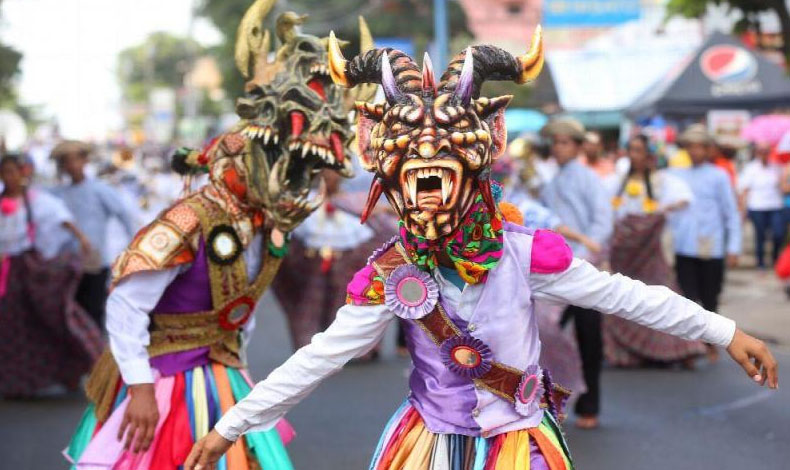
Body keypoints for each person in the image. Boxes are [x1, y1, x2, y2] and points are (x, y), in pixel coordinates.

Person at [185, 36, 777, 470]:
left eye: (439, 172)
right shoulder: (389, 275)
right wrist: (230, 426)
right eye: (413, 176)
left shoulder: (525, 254)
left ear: (478, 161)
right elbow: (318, 359)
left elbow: (625, 296)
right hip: (427, 447)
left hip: (521, 447)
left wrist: (724, 331)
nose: (426, 189)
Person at [64, 6, 376, 469]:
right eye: (284, 165)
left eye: (304, 170)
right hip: (165, 378)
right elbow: (126, 304)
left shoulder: (266, 224)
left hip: (225, 377)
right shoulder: (191, 218)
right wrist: (141, 389)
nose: (296, 180)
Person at [0, 154, 103, 397]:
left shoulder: (37, 201)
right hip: (6, 272)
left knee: (54, 315)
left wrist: (83, 240)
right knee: (13, 326)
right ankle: (18, 381)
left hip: (30, 269)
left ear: (23, 173)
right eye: (4, 173)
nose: (9, 178)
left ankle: (84, 365)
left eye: (13, 172)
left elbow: (64, 220)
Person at [604, 135, 706, 367]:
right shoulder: (616, 181)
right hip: (624, 252)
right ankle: (629, 352)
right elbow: (604, 207)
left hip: (652, 250)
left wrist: (662, 210)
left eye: (639, 151)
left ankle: (683, 350)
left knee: (663, 297)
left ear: (650, 155)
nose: (634, 155)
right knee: (623, 298)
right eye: (631, 150)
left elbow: (684, 199)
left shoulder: (663, 180)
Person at [540, 118, 612, 429]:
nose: (558, 148)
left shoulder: (589, 179)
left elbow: (603, 221)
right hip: (554, 269)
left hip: (582, 268)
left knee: (588, 336)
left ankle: (589, 404)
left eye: (565, 142)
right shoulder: (549, 182)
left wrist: (583, 256)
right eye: (555, 142)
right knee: (542, 334)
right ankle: (547, 398)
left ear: (580, 147)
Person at [669, 124, 742, 361]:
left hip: (711, 245)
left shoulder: (719, 176)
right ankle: (690, 347)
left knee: (710, 298)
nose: (695, 151)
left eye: (700, 147)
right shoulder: (676, 175)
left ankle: (711, 342)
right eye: (690, 146)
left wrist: (733, 247)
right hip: (684, 246)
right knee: (687, 298)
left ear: (708, 150)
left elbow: (730, 212)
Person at [51, 140, 137, 327]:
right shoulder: (57, 193)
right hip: (67, 261)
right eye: (66, 161)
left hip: (96, 260)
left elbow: (124, 215)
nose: (72, 165)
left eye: (76, 159)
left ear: (85, 161)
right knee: (71, 311)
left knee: (93, 311)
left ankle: (95, 352)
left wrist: (134, 247)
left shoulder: (100, 189)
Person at [738, 141, 785, 269]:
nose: (764, 154)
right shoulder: (750, 168)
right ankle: (761, 263)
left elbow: (784, 187)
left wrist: (784, 177)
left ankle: (775, 258)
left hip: (775, 205)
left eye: (766, 151)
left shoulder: (777, 167)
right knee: (760, 235)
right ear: (756, 153)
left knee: (778, 234)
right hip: (757, 207)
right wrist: (742, 210)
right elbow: (744, 190)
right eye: (761, 151)